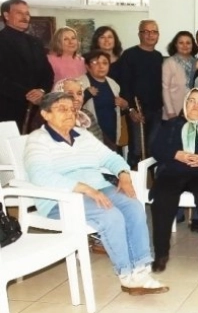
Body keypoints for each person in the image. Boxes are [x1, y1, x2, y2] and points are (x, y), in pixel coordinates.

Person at [24, 91, 168, 295]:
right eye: (61, 109)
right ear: (46, 114)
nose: (69, 113)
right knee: (110, 214)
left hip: (97, 189)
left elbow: (110, 157)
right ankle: (126, 275)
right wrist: (84, 188)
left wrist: (123, 173)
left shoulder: (82, 135)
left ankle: (140, 270)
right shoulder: (38, 140)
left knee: (133, 206)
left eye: (71, 109)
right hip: (61, 199)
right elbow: (40, 175)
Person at [149, 88, 198, 271]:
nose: (195, 105)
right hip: (172, 172)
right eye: (192, 100)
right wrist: (176, 154)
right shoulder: (171, 125)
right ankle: (161, 253)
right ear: (185, 104)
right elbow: (156, 148)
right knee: (163, 198)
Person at [0, 0, 54, 131]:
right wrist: (27, 95)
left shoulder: (36, 42)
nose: (25, 17)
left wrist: (42, 91)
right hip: (7, 109)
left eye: (27, 13)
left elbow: (48, 73)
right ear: (6, 15)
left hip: (36, 111)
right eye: (19, 13)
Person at [118, 19, 164, 165]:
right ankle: (131, 177)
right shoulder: (129, 55)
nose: (150, 35)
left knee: (152, 149)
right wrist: (131, 109)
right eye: (146, 31)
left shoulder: (158, 57)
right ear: (139, 34)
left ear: (158, 35)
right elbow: (124, 84)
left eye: (154, 32)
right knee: (136, 150)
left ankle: (149, 179)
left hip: (156, 111)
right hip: (137, 111)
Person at [81, 50, 127, 151]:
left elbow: (120, 109)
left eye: (105, 63)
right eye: (95, 63)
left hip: (112, 135)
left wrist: (124, 105)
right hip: (90, 136)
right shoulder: (79, 83)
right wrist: (86, 94)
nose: (101, 66)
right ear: (87, 66)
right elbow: (72, 107)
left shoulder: (113, 84)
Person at [53, 78, 108, 147]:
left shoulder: (87, 115)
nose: (76, 98)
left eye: (79, 93)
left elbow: (100, 142)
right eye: (70, 94)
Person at [162, 31, 198, 120]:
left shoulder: (197, 63)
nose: (185, 46)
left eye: (188, 43)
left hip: (192, 112)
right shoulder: (169, 63)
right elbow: (165, 89)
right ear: (175, 45)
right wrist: (170, 112)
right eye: (181, 43)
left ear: (192, 45)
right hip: (173, 112)